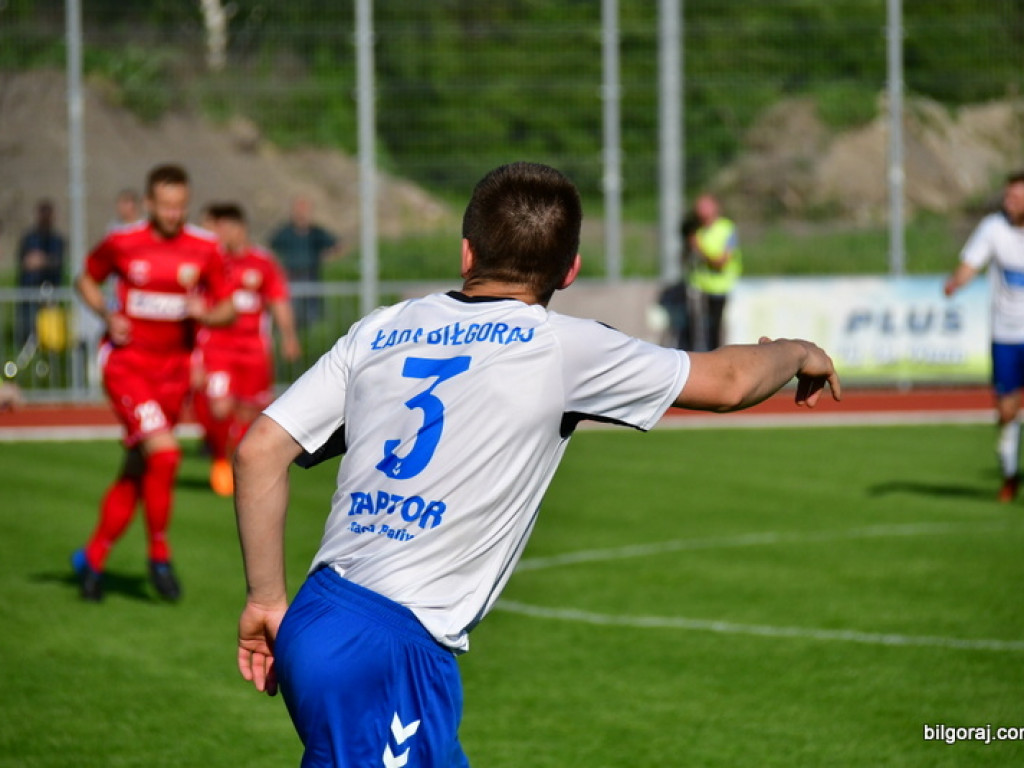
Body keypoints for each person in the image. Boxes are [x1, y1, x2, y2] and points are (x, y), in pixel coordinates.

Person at [233, 162, 840, 768]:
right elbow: (729, 382)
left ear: (466, 252)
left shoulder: (382, 329)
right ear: (570, 270)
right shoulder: (560, 345)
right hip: (390, 646)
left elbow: (260, 450)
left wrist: (266, 600)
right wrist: (798, 351)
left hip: (319, 615)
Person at [70, 163, 236, 602]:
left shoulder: (204, 248)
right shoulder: (124, 242)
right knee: (164, 455)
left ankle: (93, 560)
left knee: (136, 471)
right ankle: (159, 556)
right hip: (127, 366)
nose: (173, 214)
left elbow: (228, 307)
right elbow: (85, 278)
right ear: (149, 204)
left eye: (181, 206)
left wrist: (207, 314)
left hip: (174, 375)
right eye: (165, 206)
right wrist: (107, 314)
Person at [192, 202, 301, 497]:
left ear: (241, 228)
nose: (220, 233)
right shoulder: (211, 262)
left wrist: (289, 336)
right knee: (219, 406)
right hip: (218, 347)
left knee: (249, 411)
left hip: (253, 348)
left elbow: (278, 300)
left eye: (226, 227)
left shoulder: (262, 262)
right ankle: (219, 458)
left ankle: (241, 464)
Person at [944, 170, 1024, 502]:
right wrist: (956, 282)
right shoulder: (993, 228)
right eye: (1008, 196)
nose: (1009, 202)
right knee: (1006, 412)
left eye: (1016, 198)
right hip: (1005, 335)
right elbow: (970, 263)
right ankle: (1009, 473)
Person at [268, 195, 339, 329]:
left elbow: (335, 246)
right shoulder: (285, 232)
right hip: (291, 277)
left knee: (312, 314)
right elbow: (271, 249)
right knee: (291, 312)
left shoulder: (316, 232)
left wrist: (327, 259)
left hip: (311, 276)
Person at [686, 193, 742, 351]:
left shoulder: (726, 228)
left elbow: (721, 262)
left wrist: (699, 249)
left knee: (714, 330)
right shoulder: (697, 230)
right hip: (698, 286)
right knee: (695, 330)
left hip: (719, 287)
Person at [15, 199, 66, 349]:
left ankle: (48, 359)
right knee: (28, 326)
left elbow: (58, 261)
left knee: (49, 332)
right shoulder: (29, 238)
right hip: (30, 288)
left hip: (50, 289)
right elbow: (22, 259)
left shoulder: (57, 240)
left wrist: (44, 261)